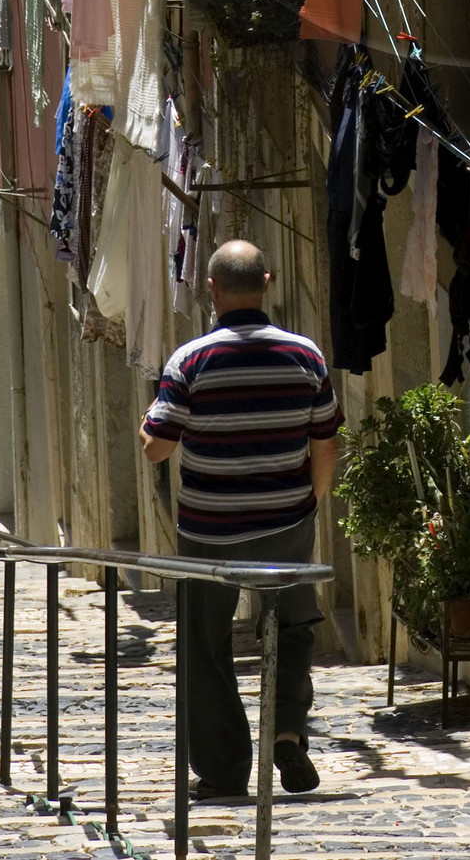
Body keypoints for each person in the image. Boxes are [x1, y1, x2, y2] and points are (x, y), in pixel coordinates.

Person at [141, 238, 342, 800]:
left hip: (209, 529)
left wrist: (147, 422)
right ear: (266, 283)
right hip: (286, 520)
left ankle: (224, 769)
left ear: (211, 289)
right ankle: (287, 732)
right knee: (293, 626)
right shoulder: (306, 356)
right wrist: (309, 503)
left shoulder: (190, 361)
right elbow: (326, 443)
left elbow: (157, 449)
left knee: (206, 644)